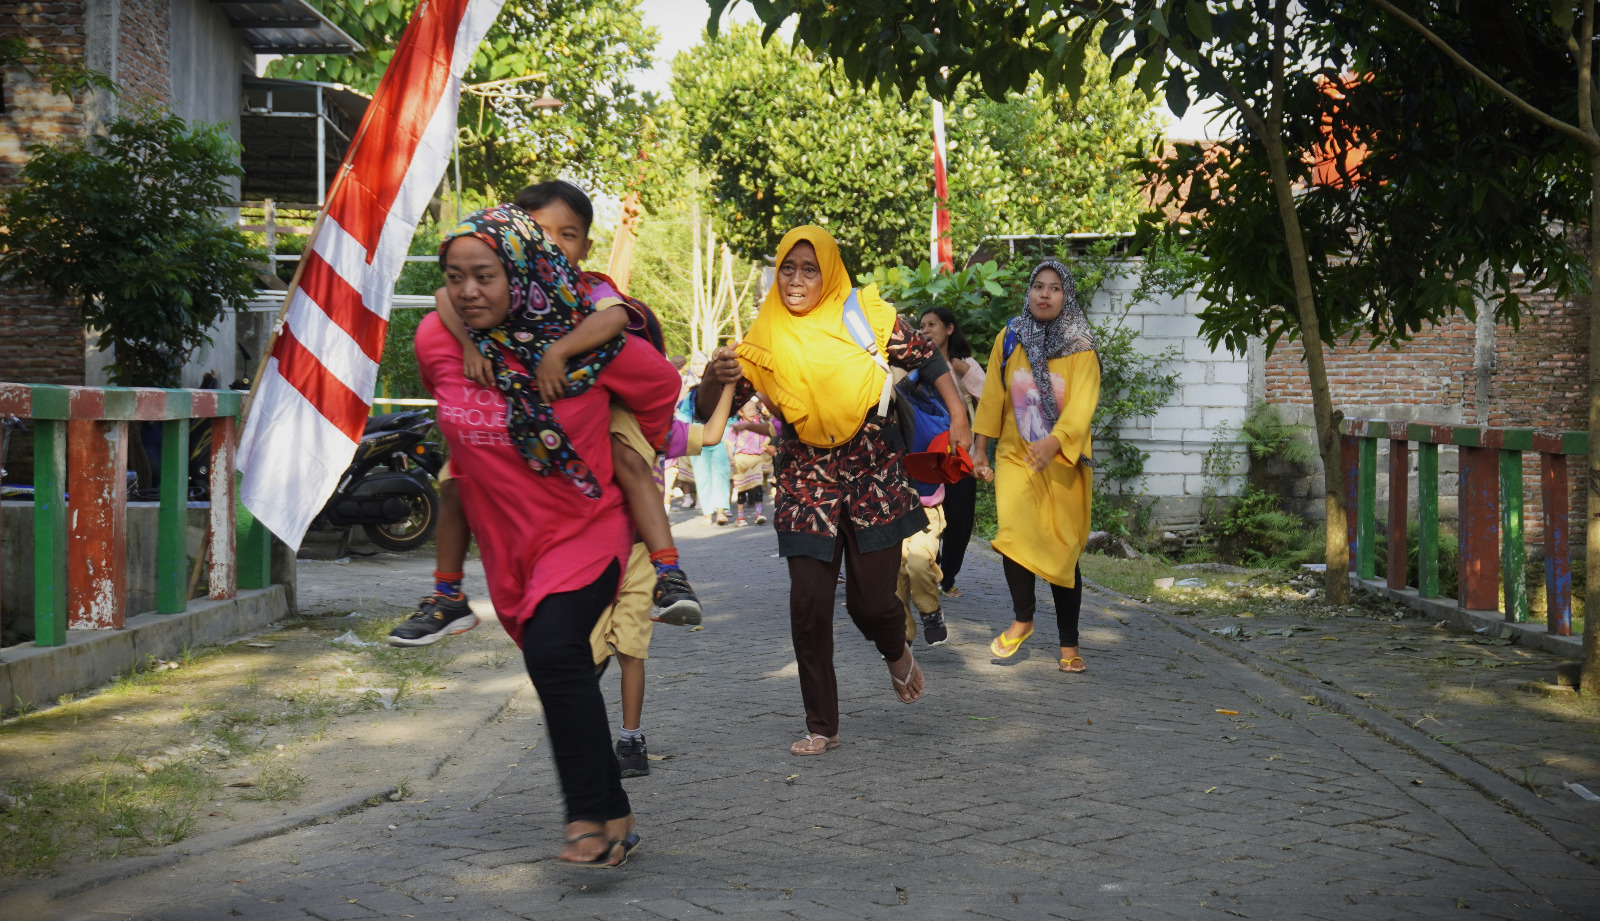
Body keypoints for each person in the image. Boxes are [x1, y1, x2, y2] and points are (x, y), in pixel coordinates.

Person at [417, 202, 680, 866]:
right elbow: (456, 435)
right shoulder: (438, 342)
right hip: (509, 549)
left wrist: (631, 448)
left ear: (521, 272)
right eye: (456, 277)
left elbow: (660, 385)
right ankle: (616, 810)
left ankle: (586, 819)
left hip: (586, 529)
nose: (468, 291)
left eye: (485, 276)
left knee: (557, 653)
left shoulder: (589, 343)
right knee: (557, 665)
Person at [388, 181, 701, 650]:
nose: (552, 244)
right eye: (539, 231)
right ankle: (447, 594)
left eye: (566, 235)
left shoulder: (589, 290)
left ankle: (668, 570)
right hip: (516, 440)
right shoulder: (489, 303)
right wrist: (471, 345)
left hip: (599, 407)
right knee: (453, 483)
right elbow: (441, 295)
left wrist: (559, 353)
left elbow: (615, 323)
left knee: (628, 462)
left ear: (586, 245)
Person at [700, 226, 970, 756]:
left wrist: (959, 412)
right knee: (809, 604)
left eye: (809, 269)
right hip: (806, 479)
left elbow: (928, 358)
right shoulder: (762, 337)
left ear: (828, 271)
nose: (796, 280)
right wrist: (717, 372)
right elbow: (717, 407)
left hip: (873, 469)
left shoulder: (868, 315)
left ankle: (896, 649)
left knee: (871, 602)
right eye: (787, 268)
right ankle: (822, 723)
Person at [593, 377, 737, 777]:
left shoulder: (650, 426)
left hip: (640, 557)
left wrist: (728, 385)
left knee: (631, 650)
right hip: (591, 557)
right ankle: (587, 740)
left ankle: (630, 739)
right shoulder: (585, 422)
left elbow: (709, 435)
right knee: (585, 656)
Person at [971, 259, 1101, 674]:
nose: (1045, 294)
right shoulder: (1009, 338)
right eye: (1038, 287)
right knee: (1014, 537)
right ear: (1028, 292)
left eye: (1055, 288)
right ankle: (1023, 618)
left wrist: (1056, 441)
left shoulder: (1082, 347)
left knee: (1064, 552)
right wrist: (979, 449)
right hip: (1016, 457)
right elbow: (992, 397)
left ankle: (1069, 644)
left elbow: (1082, 404)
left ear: (1067, 296)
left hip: (1063, 462)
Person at [918, 306, 985, 599]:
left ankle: (947, 575)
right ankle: (926, 571)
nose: (926, 330)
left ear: (949, 329)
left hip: (960, 453)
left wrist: (965, 373)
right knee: (927, 516)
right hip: (925, 453)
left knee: (960, 519)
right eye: (922, 326)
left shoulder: (965, 364)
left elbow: (990, 403)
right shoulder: (914, 364)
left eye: (932, 324)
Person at [729, 397, 774, 525]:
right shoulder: (737, 426)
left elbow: (765, 440)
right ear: (740, 412)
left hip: (756, 460)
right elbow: (729, 444)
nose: (752, 412)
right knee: (741, 489)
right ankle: (741, 517)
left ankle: (759, 514)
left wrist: (767, 447)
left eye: (754, 409)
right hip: (741, 460)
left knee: (757, 487)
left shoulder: (758, 427)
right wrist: (731, 458)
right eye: (748, 409)